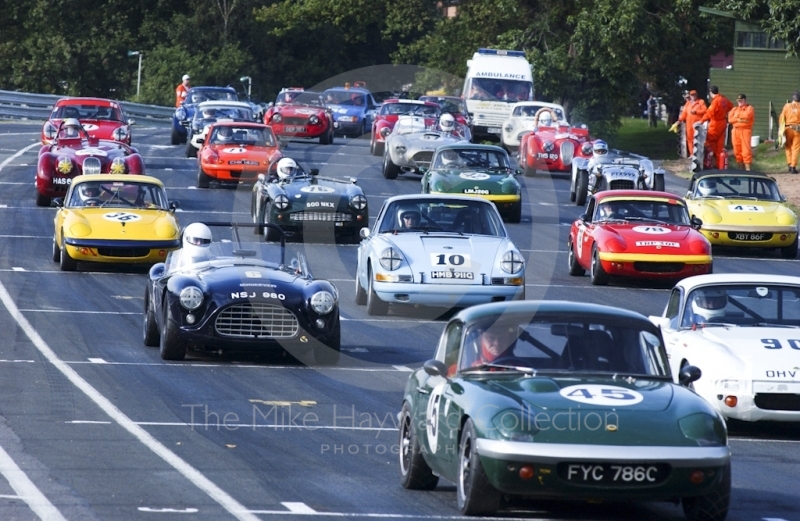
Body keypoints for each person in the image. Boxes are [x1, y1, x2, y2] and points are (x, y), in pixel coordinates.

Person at [700, 86, 733, 170]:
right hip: (723, 123)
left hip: (715, 123)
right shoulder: (724, 99)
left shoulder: (715, 102)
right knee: (720, 146)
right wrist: (724, 113)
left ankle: (709, 165)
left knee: (709, 143)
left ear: (711, 92)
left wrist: (701, 121)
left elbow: (709, 113)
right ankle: (719, 165)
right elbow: (731, 106)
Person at [728, 94, 755, 170]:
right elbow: (730, 119)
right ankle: (740, 169)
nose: (740, 102)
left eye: (741, 101)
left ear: (745, 100)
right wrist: (739, 119)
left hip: (745, 131)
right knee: (737, 151)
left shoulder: (749, 108)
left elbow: (747, 116)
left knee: (746, 151)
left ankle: (748, 170)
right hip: (735, 131)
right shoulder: (734, 109)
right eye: (738, 101)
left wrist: (736, 116)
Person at [678, 90, 707, 157]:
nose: (693, 96)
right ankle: (692, 154)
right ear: (690, 96)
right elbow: (684, 113)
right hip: (689, 124)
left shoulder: (701, 102)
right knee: (690, 139)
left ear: (696, 95)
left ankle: (699, 155)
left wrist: (696, 111)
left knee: (698, 139)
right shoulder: (688, 103)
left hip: (698, 124)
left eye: (694, 95)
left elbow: (705, 110)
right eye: (691, 95)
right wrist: (679, 120)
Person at [779, 91, 800, 174]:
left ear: (793, 98)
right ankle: (793, 166)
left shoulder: (787, 106)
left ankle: (789, 164)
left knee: (788, 147)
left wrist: (781, 130)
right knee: (795, 148)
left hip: (787, 129)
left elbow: (781, 118)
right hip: (797, 129)